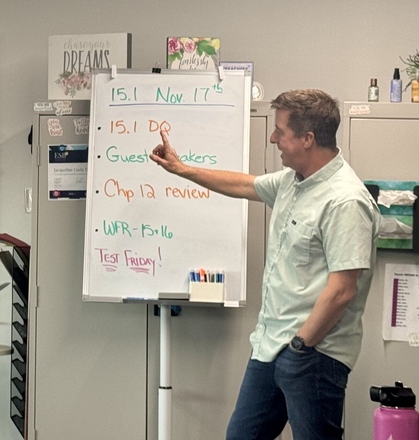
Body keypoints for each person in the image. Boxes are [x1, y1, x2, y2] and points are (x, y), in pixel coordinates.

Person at [149, 89, 379, 439]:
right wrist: (182, 169)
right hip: (271, 345)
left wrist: (301, 346)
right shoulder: (292, 182)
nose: (273, 138)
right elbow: (243, 184)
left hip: (313, 354)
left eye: (280, 132)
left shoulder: (345, 200)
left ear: (307, 138)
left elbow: (342, 291)